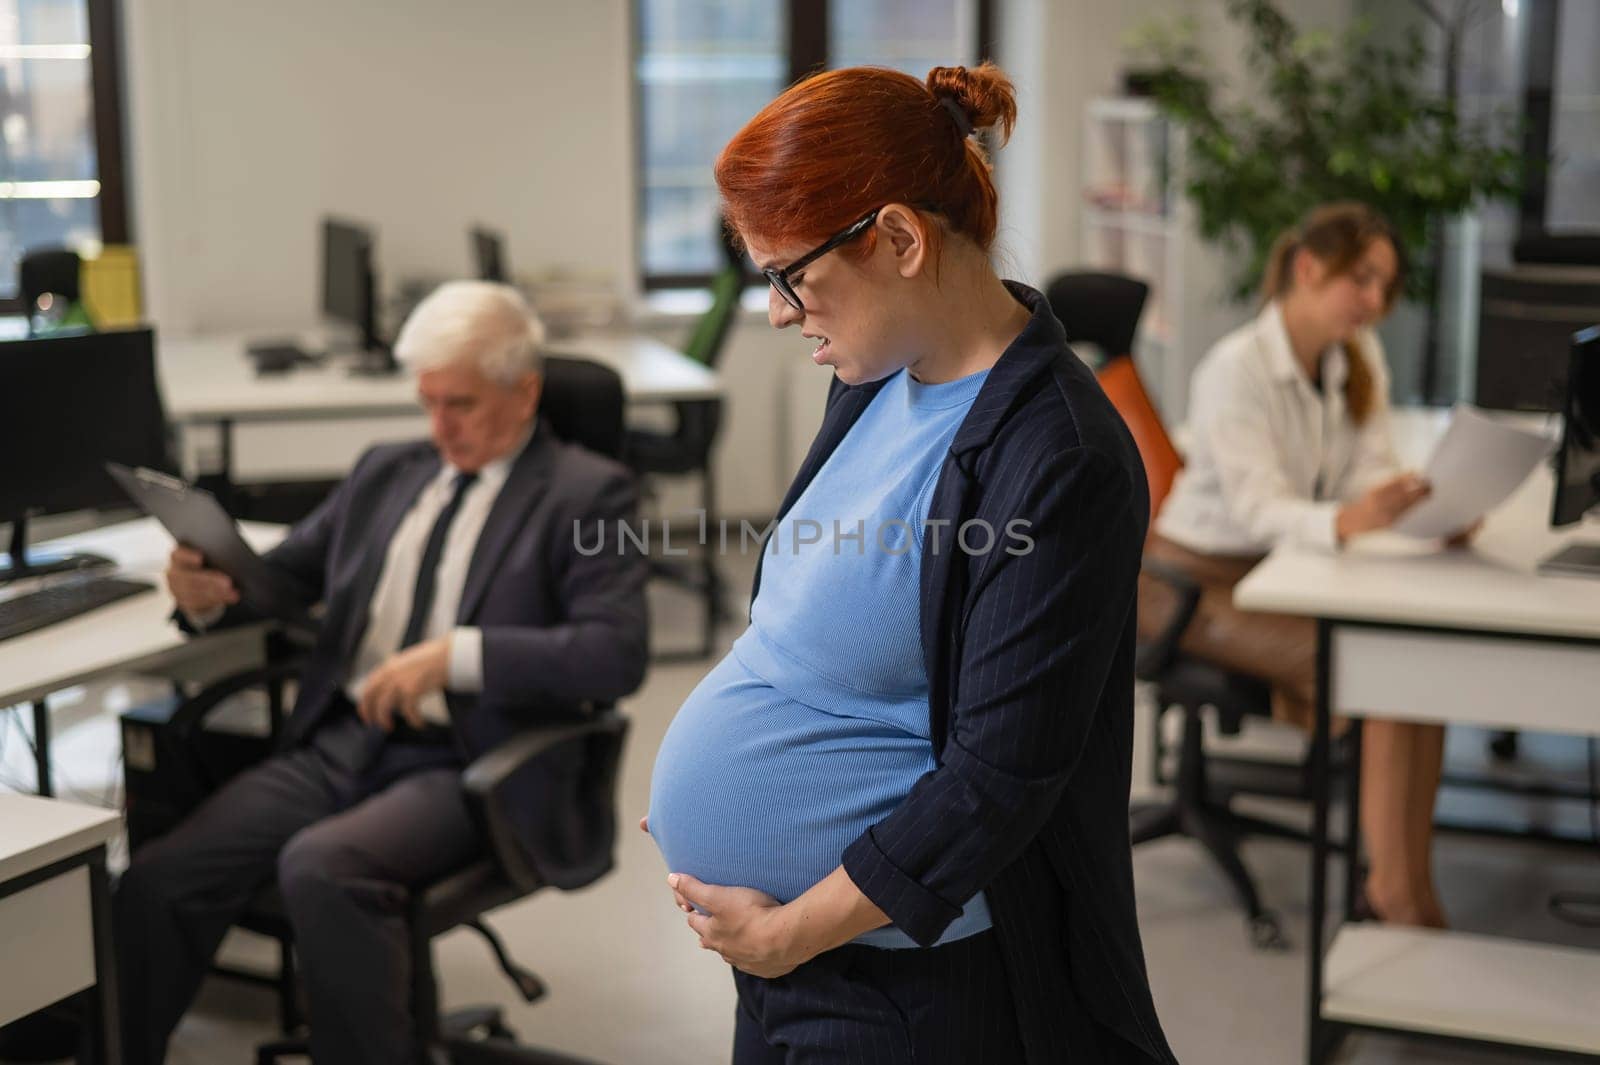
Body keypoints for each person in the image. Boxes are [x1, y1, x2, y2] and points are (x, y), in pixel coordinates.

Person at [645, 64, 1178, 1064]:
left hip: (904, 984)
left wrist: (783, 932)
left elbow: (998, 780)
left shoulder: (1059, 456)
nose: (774, 311)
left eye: (789, 276)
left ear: (898, 237)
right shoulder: (876, 377)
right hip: (787, 963)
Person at [114, 281, 649, 1065]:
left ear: (525, 389)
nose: (439, 426)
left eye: (460, 403)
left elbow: (616, 650)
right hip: (346, 741)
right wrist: (206, 593)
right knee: (157, 880)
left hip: (469, 760)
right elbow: (284, 578)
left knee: (323, 867)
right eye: (427, 402)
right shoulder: (387, 471)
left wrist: (456, 656)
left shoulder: (588, 492)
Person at [1147, 202, 1455, 928]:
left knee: (1421, 662)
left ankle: (1404, 879)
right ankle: (1396, 893)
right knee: (1376, 669)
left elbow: (1363, 475)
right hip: (1190, 583)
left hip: (1281, 570)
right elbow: (1260, 508)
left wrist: (1421, 508)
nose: (1377, 302)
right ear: (1308, 269)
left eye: (1387, 286)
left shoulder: (1356, 358)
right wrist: (1350, 520)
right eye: (1364, 280)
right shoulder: (1235, 368)